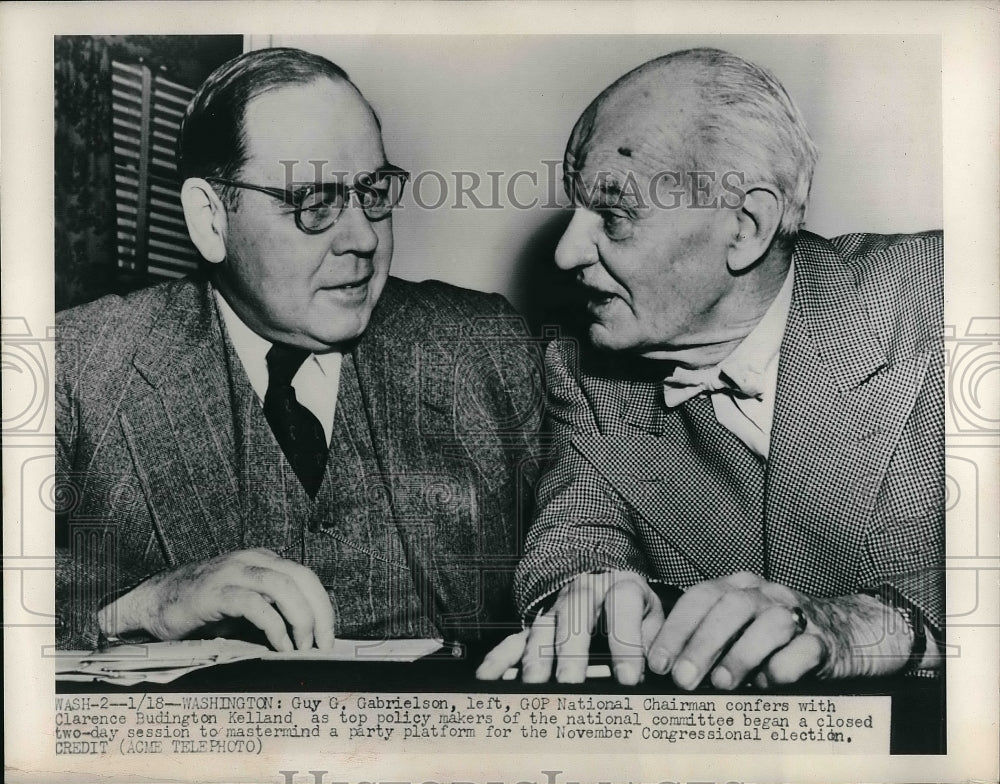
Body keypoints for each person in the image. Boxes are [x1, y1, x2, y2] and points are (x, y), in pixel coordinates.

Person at [477, 48, 943, 689]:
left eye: (613, 214)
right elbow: (576, 533)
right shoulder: (585, 368)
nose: (565, 253)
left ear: (747, 227)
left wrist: (875, 624)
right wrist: (591, 593)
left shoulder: (945, 298)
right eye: (576, 208)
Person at [56, 47, 542, 652]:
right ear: (210, 219)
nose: (363, 237)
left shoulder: (481, 346)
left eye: (372, 191)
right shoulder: (79, 364)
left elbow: (587, 530)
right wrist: (140, 605)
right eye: (313, 203)